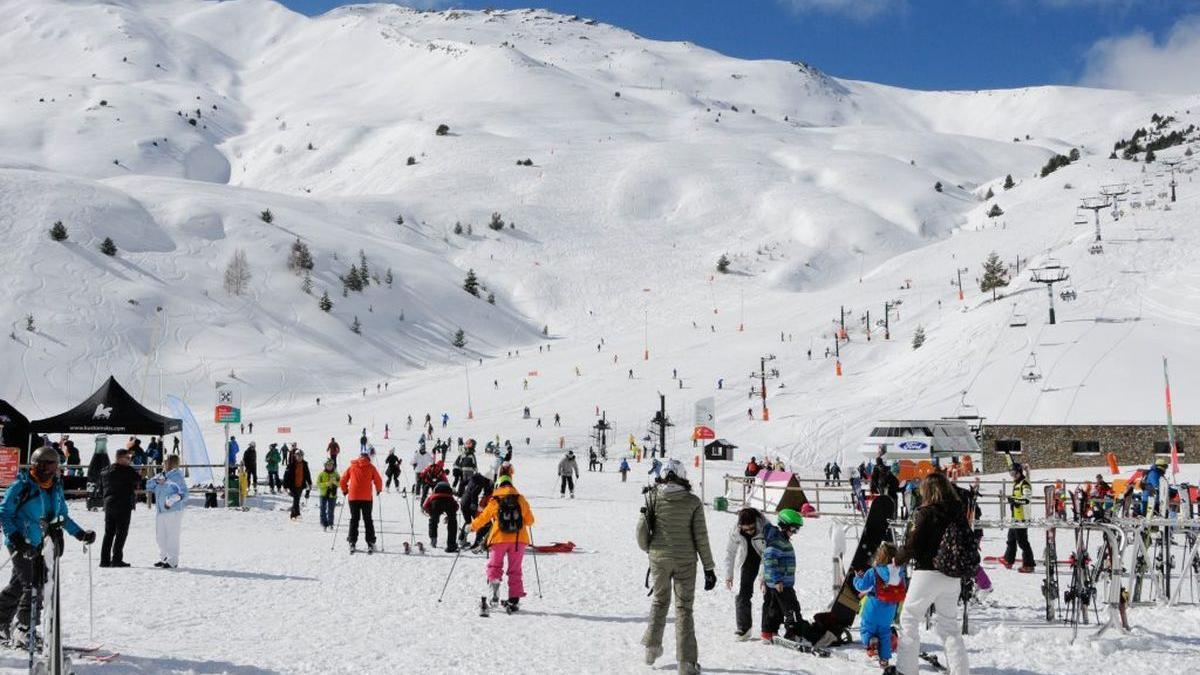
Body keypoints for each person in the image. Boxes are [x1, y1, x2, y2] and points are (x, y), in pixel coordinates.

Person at [0, 447, 94, 643]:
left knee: (18, 585)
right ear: (39, 465)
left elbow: (61, 516)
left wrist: (80, 534)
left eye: (56, 465)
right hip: (21, 541)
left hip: (39, 543)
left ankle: (1, 623)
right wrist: (15, 537)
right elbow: (4, 512)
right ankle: (24, 629)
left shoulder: (55, 487)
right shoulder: (23, 486)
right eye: (51, 465)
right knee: (33, 584)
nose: (55, 469)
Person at [637, 459, 717, 675]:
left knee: (660, 602)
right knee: (684, 609)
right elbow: (701, 536)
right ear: (683, 475)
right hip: (685, 561)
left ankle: (651, 649)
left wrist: (650, 550)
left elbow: (641, 531)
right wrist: (709, 568)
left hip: (659, 559)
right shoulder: (693, 501)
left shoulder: (653, 496)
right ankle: (686, 663)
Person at [896, 471, 970, 675]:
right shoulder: (958, 511)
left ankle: (906, 670)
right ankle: (960, 671)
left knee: (909, 619)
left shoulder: (927, 512)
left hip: (927, 572)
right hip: (952, 574)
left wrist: (897, 558)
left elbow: (914, 544)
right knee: (949, 627)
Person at [470, 472, 535, 611]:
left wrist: (472, 527)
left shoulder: (495, 499)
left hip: (499, 539)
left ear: (498, 485)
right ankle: (514, 600)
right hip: (519, 540)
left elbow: (484, 517)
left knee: (495, 566)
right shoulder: (521, 499)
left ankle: (494, 592)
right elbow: (530, 521)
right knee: (515, 570)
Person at [853, 542, 907, 669]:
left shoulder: (873, 571)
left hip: (872, 607)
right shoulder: (899, 574)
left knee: (866, 629)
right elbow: (903, 588)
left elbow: (862, 587)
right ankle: (884, 660)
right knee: (884, 633)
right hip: (889, 611)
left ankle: (871, 642)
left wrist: (856, 579)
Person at [760, 508, 804, 642]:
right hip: (780, 583)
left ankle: (769, 632)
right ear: (784, 525)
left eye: (797, 530)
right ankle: (792, 633)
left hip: (777, 583)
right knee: (791, 608)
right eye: (793, 529)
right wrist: (777, 580)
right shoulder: (777, 541)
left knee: (774, 609)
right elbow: (769, 560)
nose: (794, 533)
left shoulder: (780, 540)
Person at [724, 507, 768, 640]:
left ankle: (769, 629)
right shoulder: (735, 531)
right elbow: (730, 552)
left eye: (752, 528)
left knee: (769, 592)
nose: (749, 532)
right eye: (746, 529)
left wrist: (763, 576)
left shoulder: (766, 528)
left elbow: (769, 553)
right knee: (743, 593)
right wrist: (728, 575)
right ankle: (744, 628)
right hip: (748, 560)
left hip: (766, 559)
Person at [145, 454, 188, 569]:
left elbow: (183, 493)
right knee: (160, 536)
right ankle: (164, 557)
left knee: (172, 536)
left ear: (172, 463)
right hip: (160, 511)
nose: (164, 463)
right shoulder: (162, 475)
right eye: (165, 461)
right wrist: (156, 481)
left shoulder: (176, 476)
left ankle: (172, 560)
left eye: (167, 461)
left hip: (172, 511)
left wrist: (171, 500)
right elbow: (148, 485)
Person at [100, 448, 140, 567]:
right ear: (120, 458)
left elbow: (101, 486)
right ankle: (117, 559)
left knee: (108, 533)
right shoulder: (127, 470)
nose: (129, 460)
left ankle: (104, 560)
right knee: (121, 533)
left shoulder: (105, 471)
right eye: (127, 458)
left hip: (109, 505)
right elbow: (138, 479)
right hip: (123, 505)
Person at [340, 448, 383, 553]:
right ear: (368, 458)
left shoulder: (352, 467)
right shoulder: (371, 467)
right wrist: (378, 489)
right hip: (366, 498)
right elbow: (378, 479)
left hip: (353, 497)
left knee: (354, 519)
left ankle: (352, 541)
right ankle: (371, 542)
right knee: (368, 520)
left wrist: (345, 490)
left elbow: (343, 480)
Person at [1001, 462, 1035, 572]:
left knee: (1022, 542)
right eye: (1011, 474)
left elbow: (1027, 499)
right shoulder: (1017, 483)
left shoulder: (1024, 484)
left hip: (1022, 518)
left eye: (1015, 473)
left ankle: (1029, 565)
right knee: (1011, 539)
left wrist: (1014, 500)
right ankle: (1008, 560)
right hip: (1015, 517)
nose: (1013, 476)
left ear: (1019, 472)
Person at [459, 470, 493, 549]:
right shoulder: (481, 481)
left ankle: (461, 540)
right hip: (469, 503)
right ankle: (481, 541)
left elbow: (462, 482)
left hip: (464, 501)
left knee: (468, 522)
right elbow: (474, 493)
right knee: (481, 521)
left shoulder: (474, 477)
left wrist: (460, 493)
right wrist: (474, 504)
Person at [423, 478, 459, 552]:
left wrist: (431, 514)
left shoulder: (433, 494)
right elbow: (456, 506)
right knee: (452, 523)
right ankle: (451, 544)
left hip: (436, 503)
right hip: (449, 502)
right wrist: (450, 516)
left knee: (433, 521)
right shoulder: (450, 495)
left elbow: (425, 506)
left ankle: (433, 540)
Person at [282, 450, 312, 520]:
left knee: (297, 500)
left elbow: (307, 474)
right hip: (292, 485)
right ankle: (297, 514)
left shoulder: (305, 464)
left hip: (301, 485)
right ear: (295, 456)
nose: (299, 457)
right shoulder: (291, 465)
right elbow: (286, 476)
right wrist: (285, 486)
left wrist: (309, 483)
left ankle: (293, 514)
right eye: (298, 456)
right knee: (296, 499)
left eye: (301, 456)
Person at [315, 459, 340, 531]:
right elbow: (318, 484)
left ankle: (331, 523)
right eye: (328, 465)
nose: (329, 466)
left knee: (331, 510)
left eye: (331, 465)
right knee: (323, 508)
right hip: (323, 494)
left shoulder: (336, 474)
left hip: (333, 495)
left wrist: (335, 482)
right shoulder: (322, 474)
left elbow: (341, 484)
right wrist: (326, 484)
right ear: (325, 466)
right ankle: (323, 523)